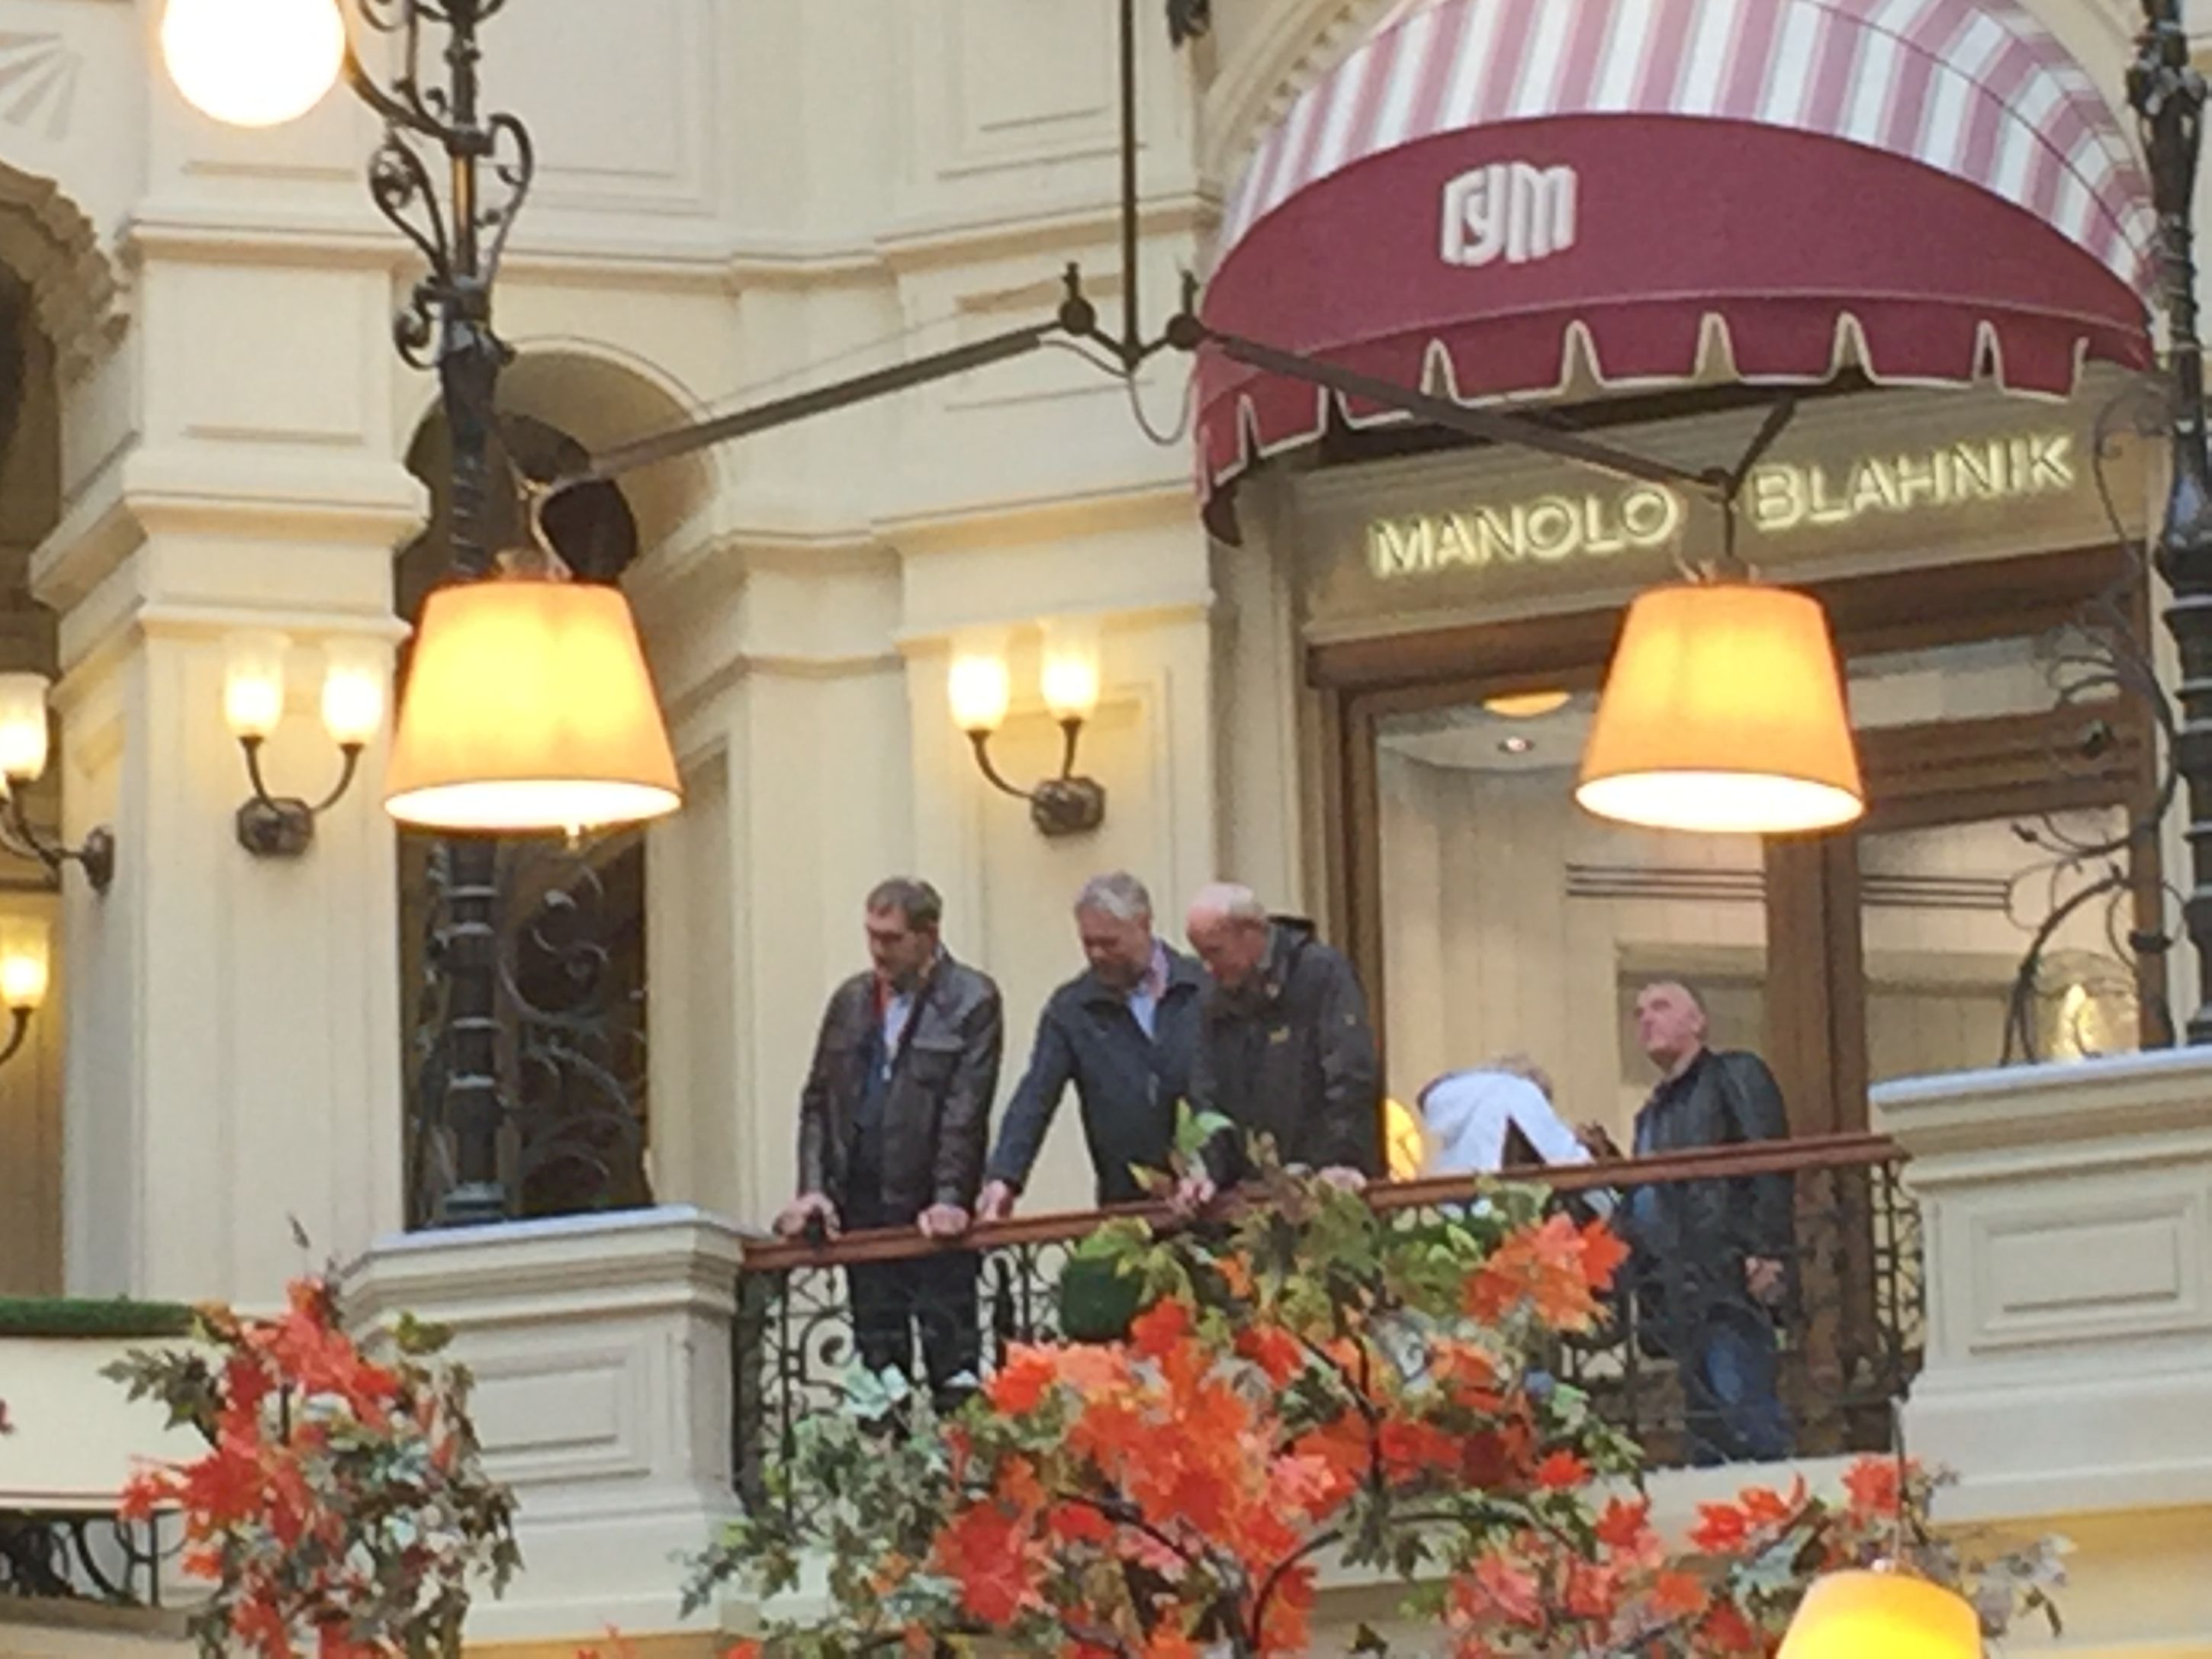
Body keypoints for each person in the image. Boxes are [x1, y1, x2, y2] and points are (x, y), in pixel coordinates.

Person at [776, 878, 1002, 1402]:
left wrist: (950, 1197)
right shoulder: (851, 1001)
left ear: (928, 935)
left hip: (932, 1215)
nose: (878, 950)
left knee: (953, 1370)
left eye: (892, 938)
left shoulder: (971, 998)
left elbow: (966, 1108)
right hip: (862, 1210)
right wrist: (813, 1189)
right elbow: (819, 1100)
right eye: (872, 935)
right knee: (878, 1379)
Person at [1620, 979, 1794, 1466]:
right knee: (1706, 1422)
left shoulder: (1733, 1075)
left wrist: (1767, 1248)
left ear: (1698, 1021)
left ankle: (1770, 1494)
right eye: (1639, 1012)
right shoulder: (1652, 1112)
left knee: (1742, 1400)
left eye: (1660, 1007)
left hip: (1726, 1268)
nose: (1646, 1019)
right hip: (1675, 1282)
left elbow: (1767, 1159)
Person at [977, 873, 1205, 1217]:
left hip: (1214, 1198)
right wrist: (1003, 1179)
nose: (1097, 954)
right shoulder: (1072, 1009)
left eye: (1109, 942)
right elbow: (1035, 1096)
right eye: (1088, 943)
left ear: (1143, 925)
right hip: (1127, 1209)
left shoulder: (1202, 988)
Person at [1179, 883, 1380, 1207]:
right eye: (1201, 955)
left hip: (1329, 1188)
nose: (1207, 967)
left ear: (1250, 934)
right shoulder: (1213, 999)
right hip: (1251, 1198)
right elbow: (1207, 1095)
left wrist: (1341, 1158)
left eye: (1215, 952)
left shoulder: (1321, 974)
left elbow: (1350, 1074)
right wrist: (1208, 1169)